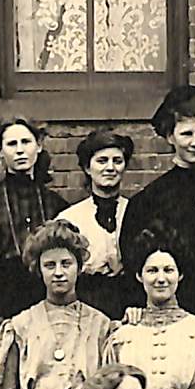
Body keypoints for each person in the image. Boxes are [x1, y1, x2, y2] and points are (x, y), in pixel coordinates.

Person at [121, 84, 195, 319]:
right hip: (172, 309)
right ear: (170, 136)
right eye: (186, 134)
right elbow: (134, 264)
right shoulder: (148, 200)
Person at [0, 218, 114, 389]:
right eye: (50, 265)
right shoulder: (20, 325)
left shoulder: (100, 325)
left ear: (79, 267)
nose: (58, 273)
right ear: (39, 269)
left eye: (66, 264)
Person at [103, 234, 195, 389]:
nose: (160, 279)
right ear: (139, 276)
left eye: (168, 270)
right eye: (152, 271)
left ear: (180, 275)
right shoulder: (123, 335)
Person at [0, 116, 68, 315]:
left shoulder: (55, 203)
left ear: (38, 146)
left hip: (48, 299)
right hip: (1, 300)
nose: (19, 150)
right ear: (0, 152)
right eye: (11, 144)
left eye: (26, 142)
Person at [59, 128, 135, 318]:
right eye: (102, 161)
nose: (110, 168)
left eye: (117, 161)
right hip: (85, 304)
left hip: (129, 305)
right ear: (87, 167)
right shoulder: (70, 218)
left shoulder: (135, 211)